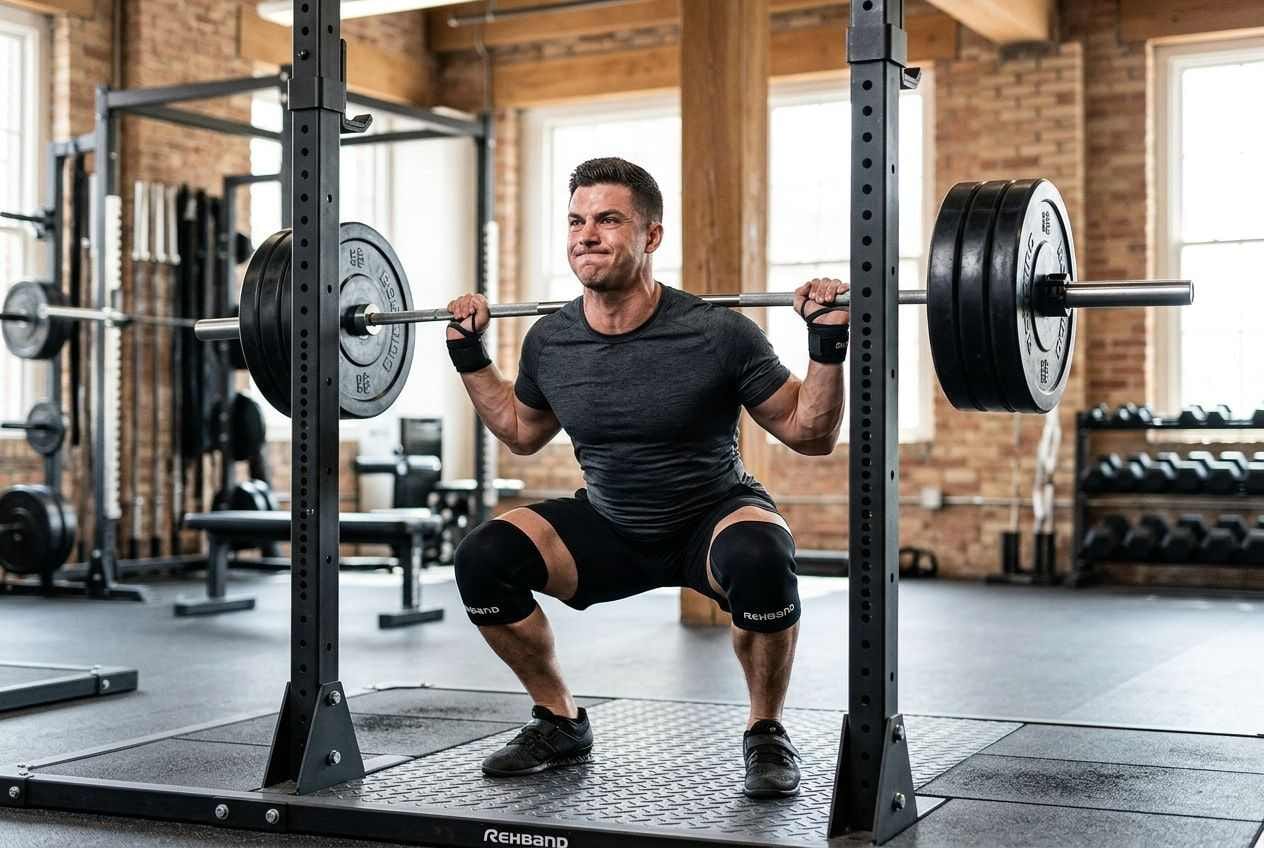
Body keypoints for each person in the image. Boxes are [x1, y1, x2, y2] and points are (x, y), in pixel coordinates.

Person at [445, 157, 848, 798]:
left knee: (761, 554)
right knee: (483, 556)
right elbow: (521, 434)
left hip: (712, 518)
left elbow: (810, 433)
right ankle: (559, 719)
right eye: (576, 220)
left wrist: (827, 346)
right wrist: (470, 356)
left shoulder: (718, 333)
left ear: (650, 237)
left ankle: (766, 732)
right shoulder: (551, 341)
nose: (586, 235)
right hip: (610, 523)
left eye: (608, 219)